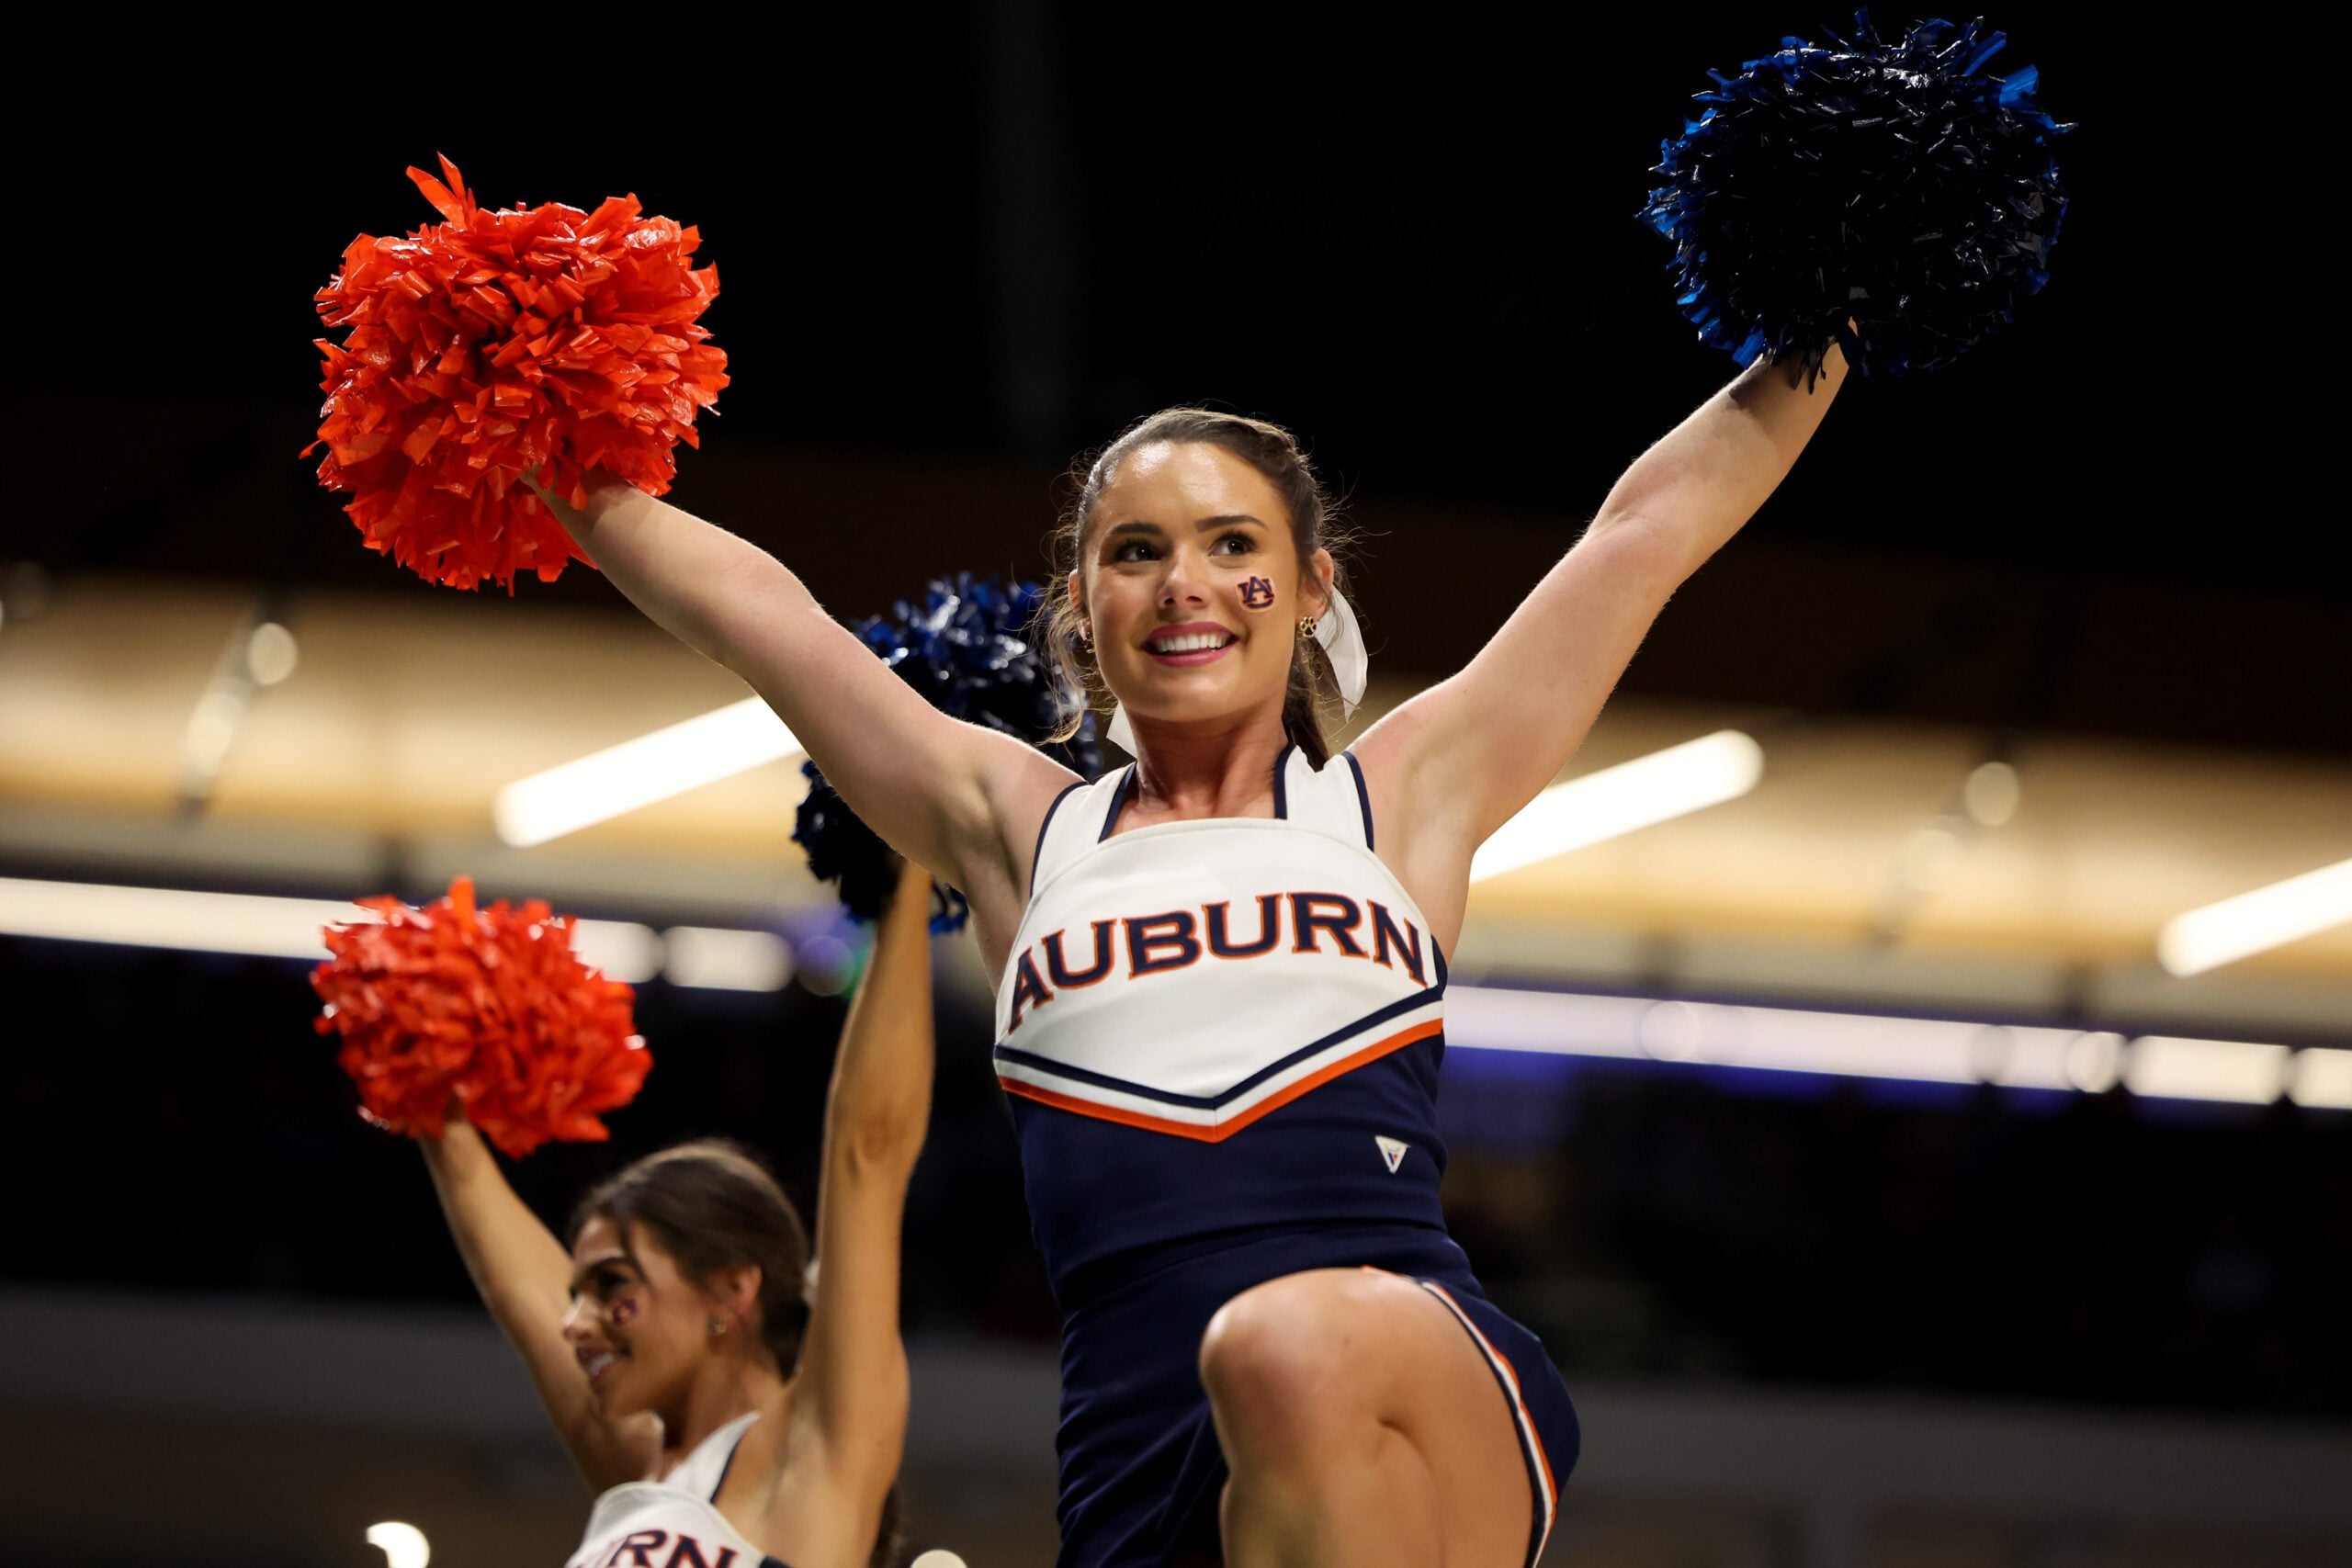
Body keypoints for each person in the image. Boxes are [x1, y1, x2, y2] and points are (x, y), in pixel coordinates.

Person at [533, 343, 1845, 1564]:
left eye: (1235, 544)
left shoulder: (1400, 795)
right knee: (1261, 1361)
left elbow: (1644, 528)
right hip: (1135, 1459)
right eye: (1137, 550)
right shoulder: (1013, 826)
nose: (1186, 585)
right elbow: (761, 612)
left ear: (1314, 584)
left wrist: (1834, 312)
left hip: (1411, 1385)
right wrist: (532, 446)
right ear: (1083, 599)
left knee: (1281, 1342)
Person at [420, 860, 937, 1568]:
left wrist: (906, 881)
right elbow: (515, 1289)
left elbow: (868, 1154)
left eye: (612, 1286)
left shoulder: (809, 1455)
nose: (573, 1322)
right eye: (579, 1294)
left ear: (732, 1289)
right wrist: (423, 1078)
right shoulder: (644, 1473)